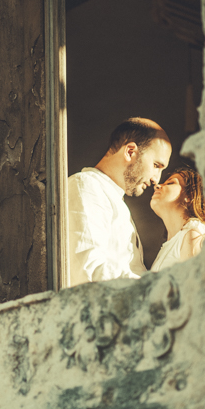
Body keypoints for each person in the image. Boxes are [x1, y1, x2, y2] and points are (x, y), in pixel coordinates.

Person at [67, 117, 171, 286]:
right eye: (156, 165)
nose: (156, 179)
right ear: (130, 151)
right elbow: (88, 271)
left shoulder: (113, 199)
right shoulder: (86, 186)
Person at [149, 167, 205, 272]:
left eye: (170, 183)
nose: (157, 186)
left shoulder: (193, 235)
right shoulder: (175, 242)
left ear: (190, 195)